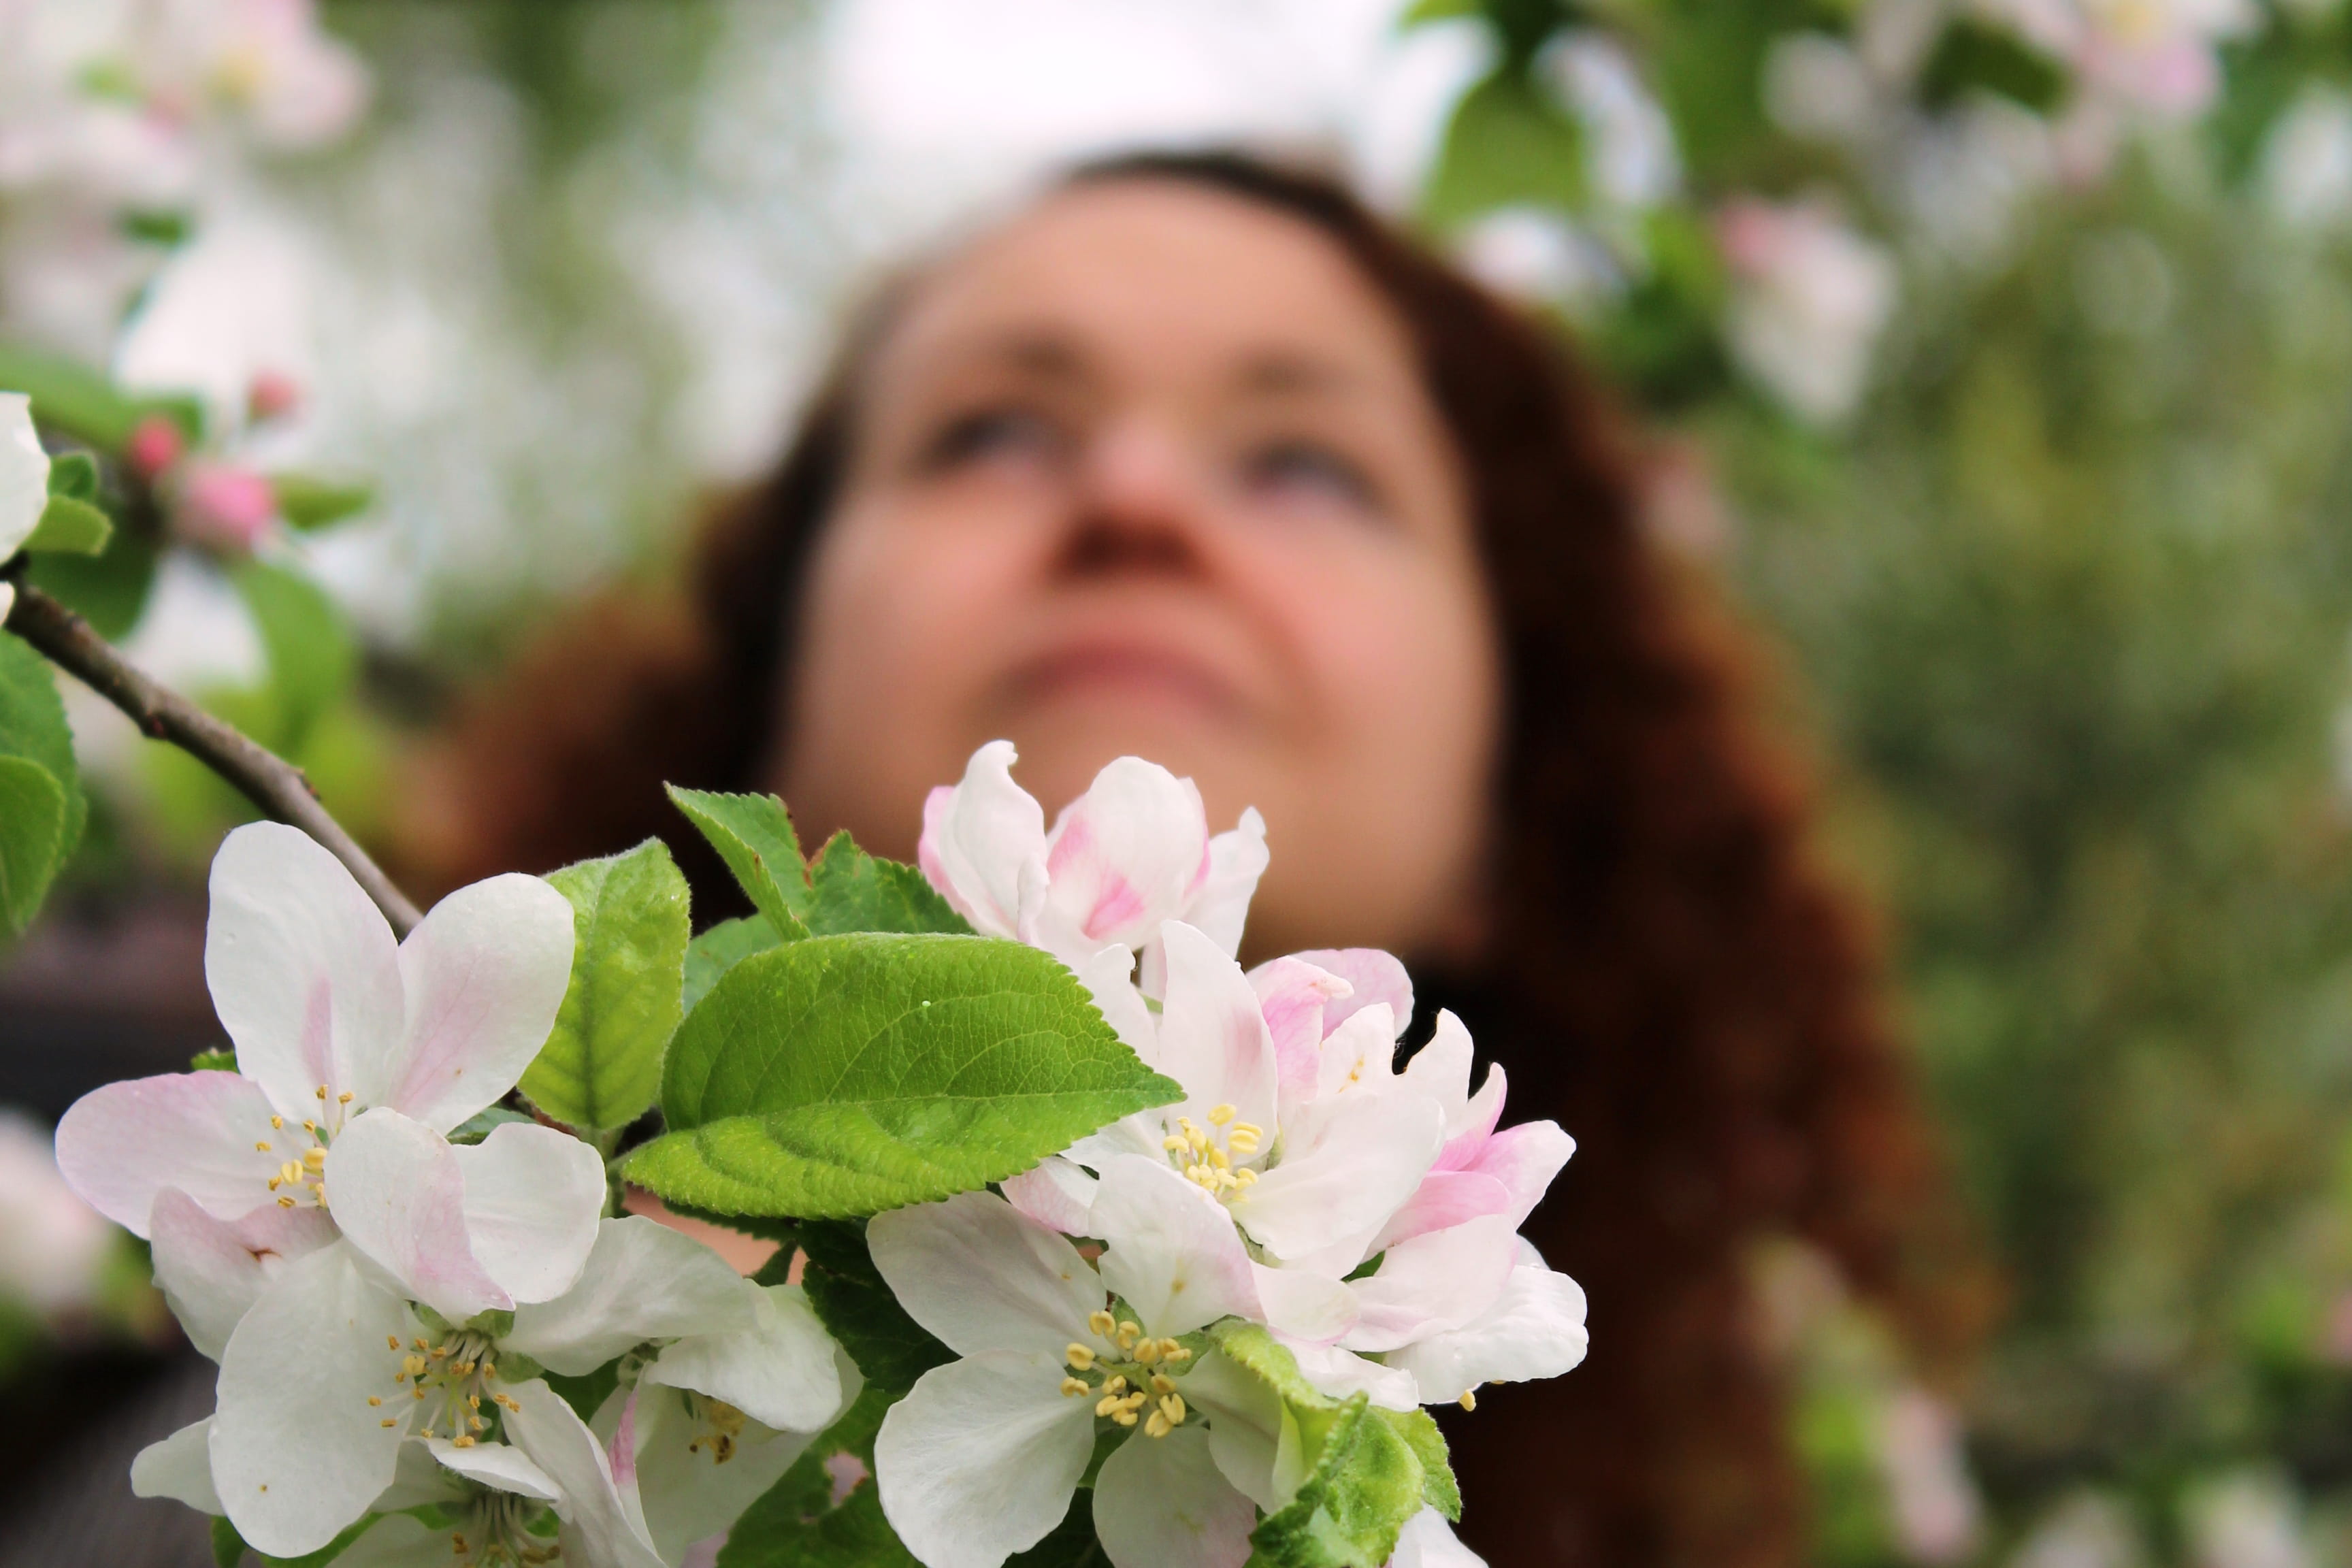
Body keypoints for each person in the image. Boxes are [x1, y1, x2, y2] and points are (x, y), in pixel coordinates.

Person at [411, 150, 1973, 1568]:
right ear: (765, 688)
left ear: (1518, 812)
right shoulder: (370, 1300)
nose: (1136, 500)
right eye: (994, 429)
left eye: (1303, 462)